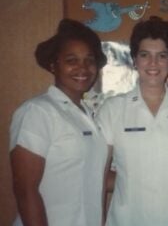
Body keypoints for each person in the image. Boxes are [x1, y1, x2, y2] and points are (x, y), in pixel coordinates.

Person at [98, 16, 168, 226]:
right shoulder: (113, 110)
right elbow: (98, 176)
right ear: (134, 59)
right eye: (145, 55)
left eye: (161, 56)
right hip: (128, 219)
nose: (153, 63)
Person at [9, 19, 109, 226]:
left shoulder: (89, 116)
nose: (83, 68)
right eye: (71, 60)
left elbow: (94, 174)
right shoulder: (38, 111)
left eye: (89, 60)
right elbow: (26, 191)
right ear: (53, 65)